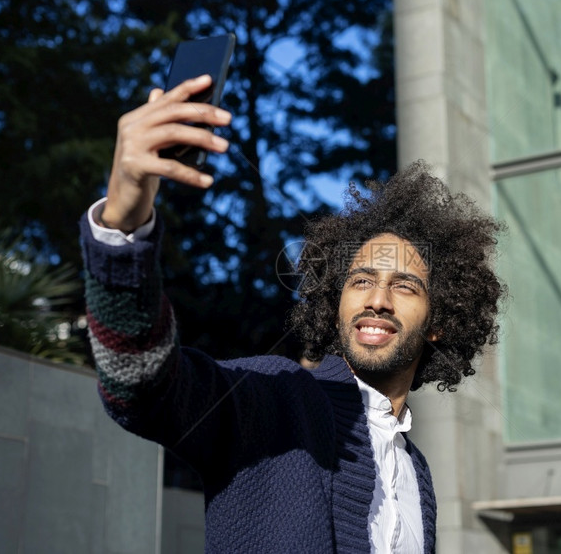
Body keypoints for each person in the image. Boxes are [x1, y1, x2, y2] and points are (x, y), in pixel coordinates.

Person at [80, 75, 505, 553]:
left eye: (404, 286)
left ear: (440, 324)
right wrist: (121, 229)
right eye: (361, 280)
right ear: (335, 302)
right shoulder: (274, 400)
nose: (378, 299)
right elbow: (140, 387)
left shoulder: (417, 473)